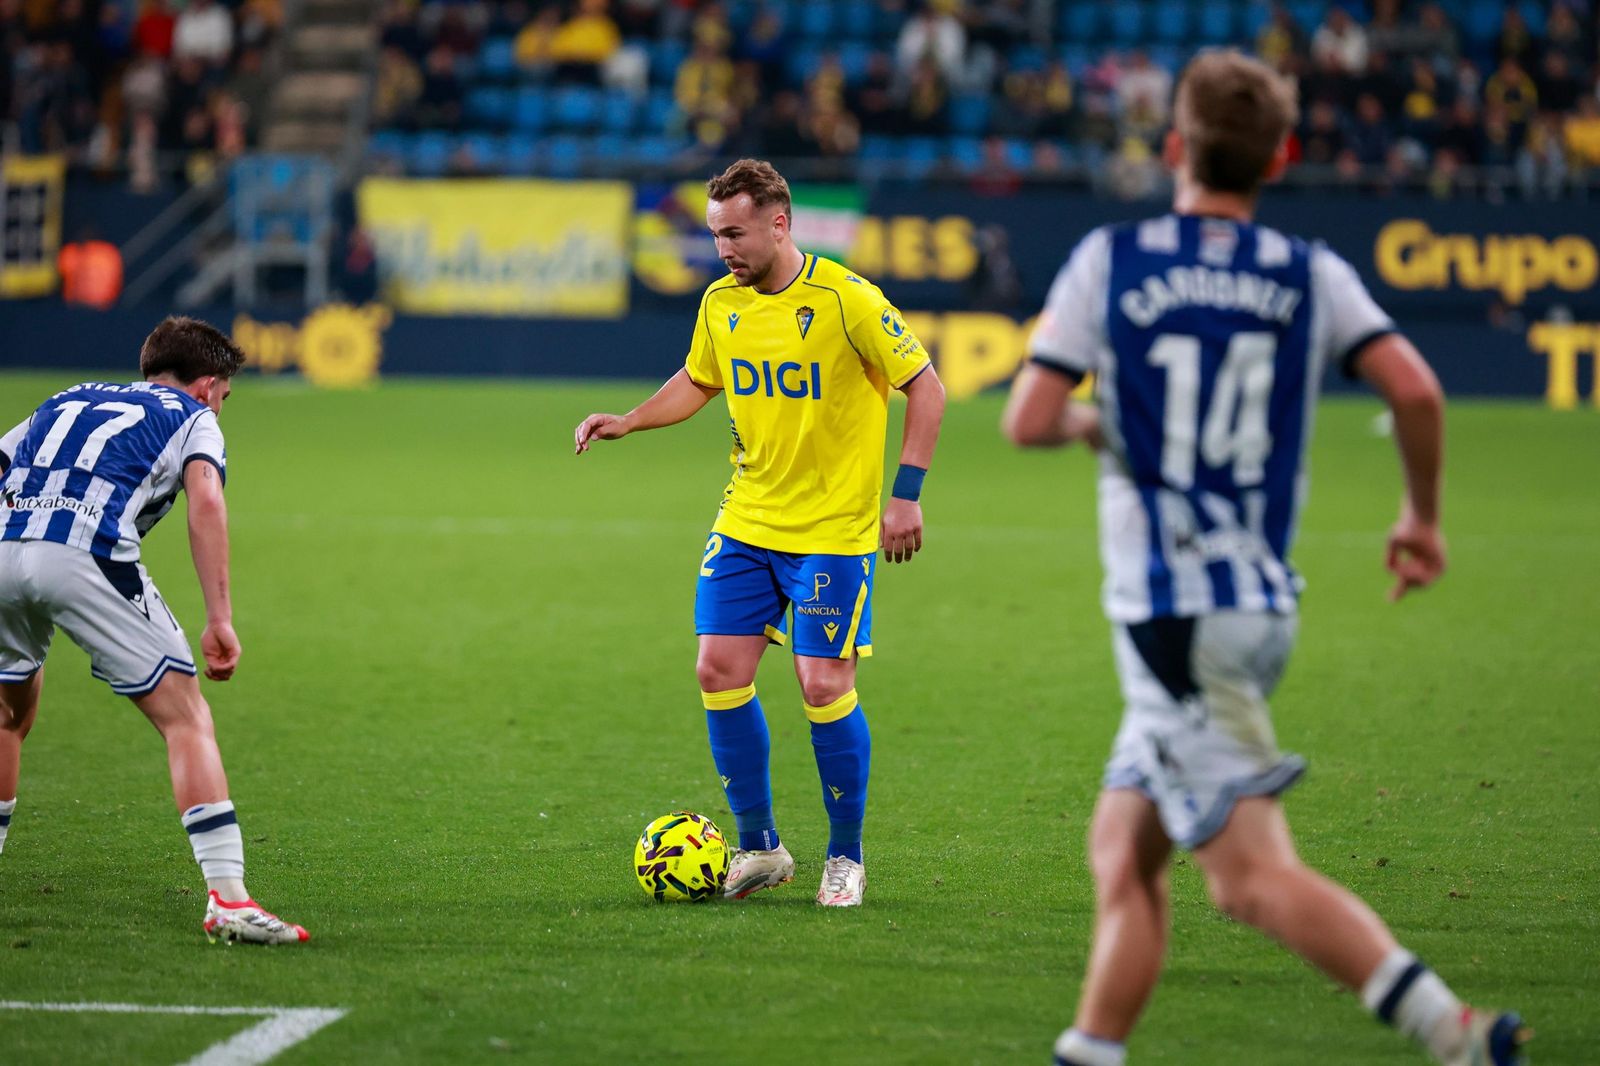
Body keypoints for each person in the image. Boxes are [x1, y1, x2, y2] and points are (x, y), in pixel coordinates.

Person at [1001, 51, 1525, 1066]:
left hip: (1174, 614)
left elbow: (1028, 419)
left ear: (1171, 148)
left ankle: (1457, 1034)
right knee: (1123, 849)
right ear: (1280, 157)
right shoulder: (1309, 270)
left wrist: (1098, 426)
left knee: (1245, 879)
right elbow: (1415, 391)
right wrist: (1420, 518)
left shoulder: (1113, 259)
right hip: (1249, 599)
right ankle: (1090, 1050)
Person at [574, 159, 946, 907]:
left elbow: (926, 387)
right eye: (715, 236)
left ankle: (846, 857)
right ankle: (761, 847)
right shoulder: (721, 303)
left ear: (780, 223)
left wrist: (905, 496)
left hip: (833, 531)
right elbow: (699, 379)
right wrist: (630, 420)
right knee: (717, 670)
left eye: (735, 234)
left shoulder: (847, 300)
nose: (724, 250)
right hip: (748, 520)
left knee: (822, 682)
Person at [0, 316, 307, 945]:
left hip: (4, 549)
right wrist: (218, 617)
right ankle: (228, 897)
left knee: (7, 714)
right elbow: (206, 500)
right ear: (207, 387)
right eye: (224, 397)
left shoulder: (65, 399)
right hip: (85, 553)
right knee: (185, 717)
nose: (222, 410)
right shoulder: (193, 419)